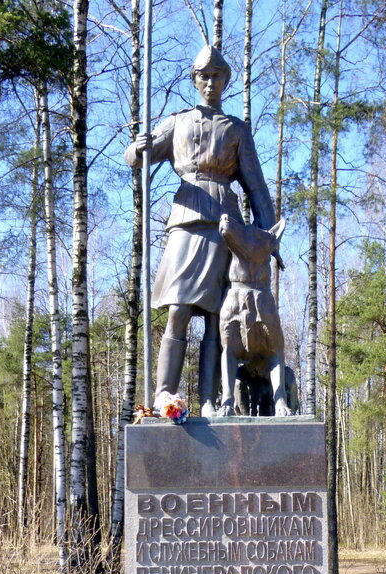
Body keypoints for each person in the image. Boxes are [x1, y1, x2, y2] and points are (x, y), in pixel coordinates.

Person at [124, 45, 276, 416]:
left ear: (226, 81)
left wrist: (269, 237)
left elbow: (255, 187)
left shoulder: (236, 130)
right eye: (204, 76)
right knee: (178, 308)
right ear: (195, 80)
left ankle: (210, 399)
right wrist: (137, 148)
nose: (211, 82)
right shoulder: (177, 121)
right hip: (187, 218)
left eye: (218, 76)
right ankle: (165, 395)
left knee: (215, 318)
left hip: (225, 226)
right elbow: (138, 157)